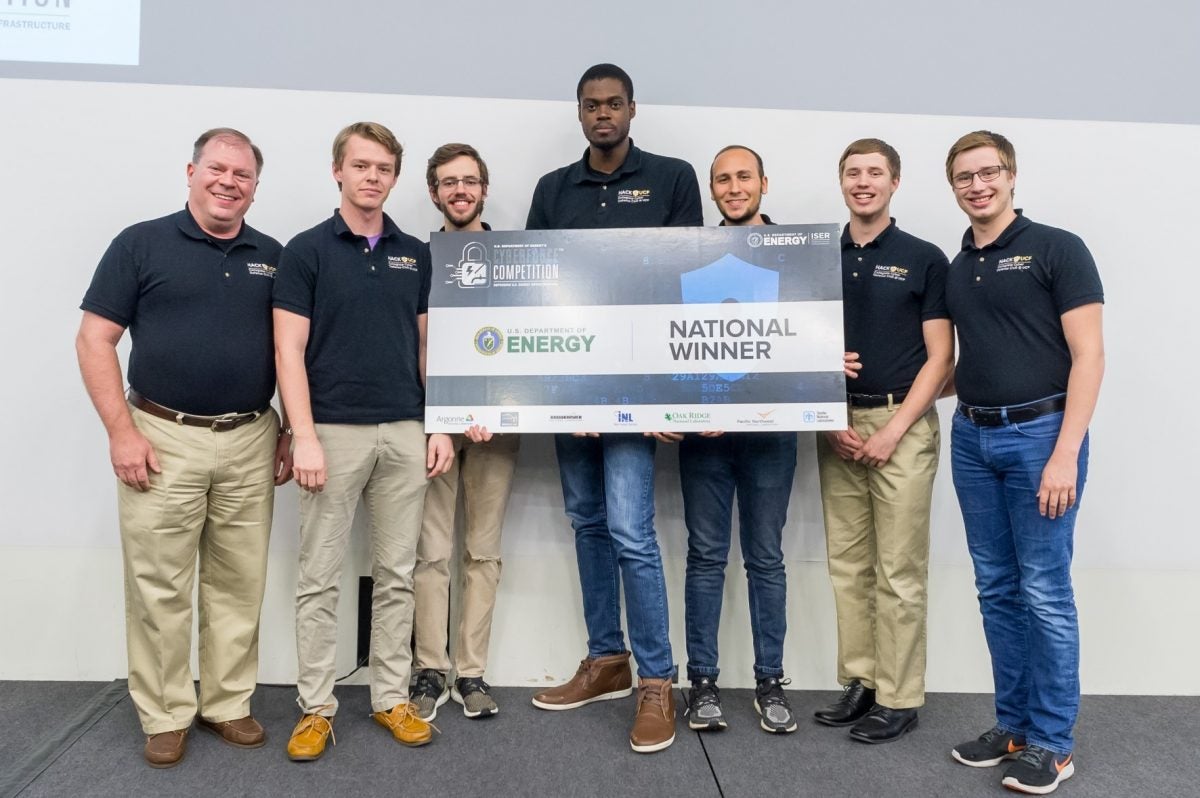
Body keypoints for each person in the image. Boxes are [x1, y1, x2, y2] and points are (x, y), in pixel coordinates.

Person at [76, 127, 290, 768]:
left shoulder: (274, 256)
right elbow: (94, 340)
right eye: (217, 169)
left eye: (242, 174)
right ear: (191, 171)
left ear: (255, 186)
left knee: (239, 581)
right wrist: (121, 431)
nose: (228, 182)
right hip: (160, 437)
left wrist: (286, 427)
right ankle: (166, 712)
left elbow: (289, 350)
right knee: (159, 586)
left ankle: (226, 702)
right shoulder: (140, 244)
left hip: (251, 437)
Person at [525, 62, 703, 753]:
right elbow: (534, 289)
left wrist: (665, 393)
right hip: (570, 388)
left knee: (631, 529)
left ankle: (656, 679)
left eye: (614, 103)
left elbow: (686, 280)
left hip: (637, 390)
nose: (603, 114)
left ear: (633, 109)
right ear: (578, 113)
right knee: (587, 523)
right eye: (592, 105)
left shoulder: (672, 178)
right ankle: (606, 660)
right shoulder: (552, 190)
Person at [273, 121, 454, 760]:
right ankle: (317, 708)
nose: (371, 176)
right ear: (338, 171)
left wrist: (439, 425)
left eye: (382, 168)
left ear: (394, 178)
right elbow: (287, 352)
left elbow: (429, 345)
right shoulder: (305, 251)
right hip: (332, 433)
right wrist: (303, 437)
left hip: (406, 430)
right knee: (319, 576)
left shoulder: (416, 253)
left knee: (397, 573)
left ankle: (390, 698)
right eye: (360, 165)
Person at [943, 131, 1104, 795]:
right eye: (964, 177)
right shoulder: (958, 266)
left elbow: (1089, 356)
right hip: (971, 440)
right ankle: (1011, 725)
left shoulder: (1057, 248)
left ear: (1010, 176)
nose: (977, 186)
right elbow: (962, 362)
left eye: (988, 173)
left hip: (1042, 438)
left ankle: (1051, 743)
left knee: (1044, 591)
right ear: (952, 186)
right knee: (996, 589)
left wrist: (1065, 452)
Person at [812, 138, 953, 744]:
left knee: (899, 569)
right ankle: (862, 682)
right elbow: (795, 343)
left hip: (903, 426)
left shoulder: (924, 258)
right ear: (841, 182)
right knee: (848, 566)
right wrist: (829, 415)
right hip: (837, 428)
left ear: (894, 182)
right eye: (853, 172)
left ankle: (899, 696)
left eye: (875, 172)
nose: (863, 181)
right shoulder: (818, 257)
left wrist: (895, 430)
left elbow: (942, 356)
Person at [678, 145, 799, 735]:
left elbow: (808, 337)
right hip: (705, 436)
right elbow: (671, 344)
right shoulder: (693, 256)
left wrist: (829, 361)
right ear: (712, 189)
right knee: (704, 557)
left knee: (765, 558)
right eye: (722, 179)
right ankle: (701, 682)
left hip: (771, 437)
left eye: (743, 176)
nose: (733, 187)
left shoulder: (801, 257)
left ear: (763, 184)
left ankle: (770, 679)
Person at [410, 143, 520, 720]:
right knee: (430, 555)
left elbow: (528, 341)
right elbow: (423, 346)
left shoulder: (513, 256)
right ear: (434, 192)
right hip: (435, 428)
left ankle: (471, 673)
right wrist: (445, 415)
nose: (460, 191)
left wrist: (496, 409)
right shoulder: (419, 256)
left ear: (483, 188)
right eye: (448, 183)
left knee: (483, 551)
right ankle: (430, 668)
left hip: (497, 430)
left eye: (470, 181)